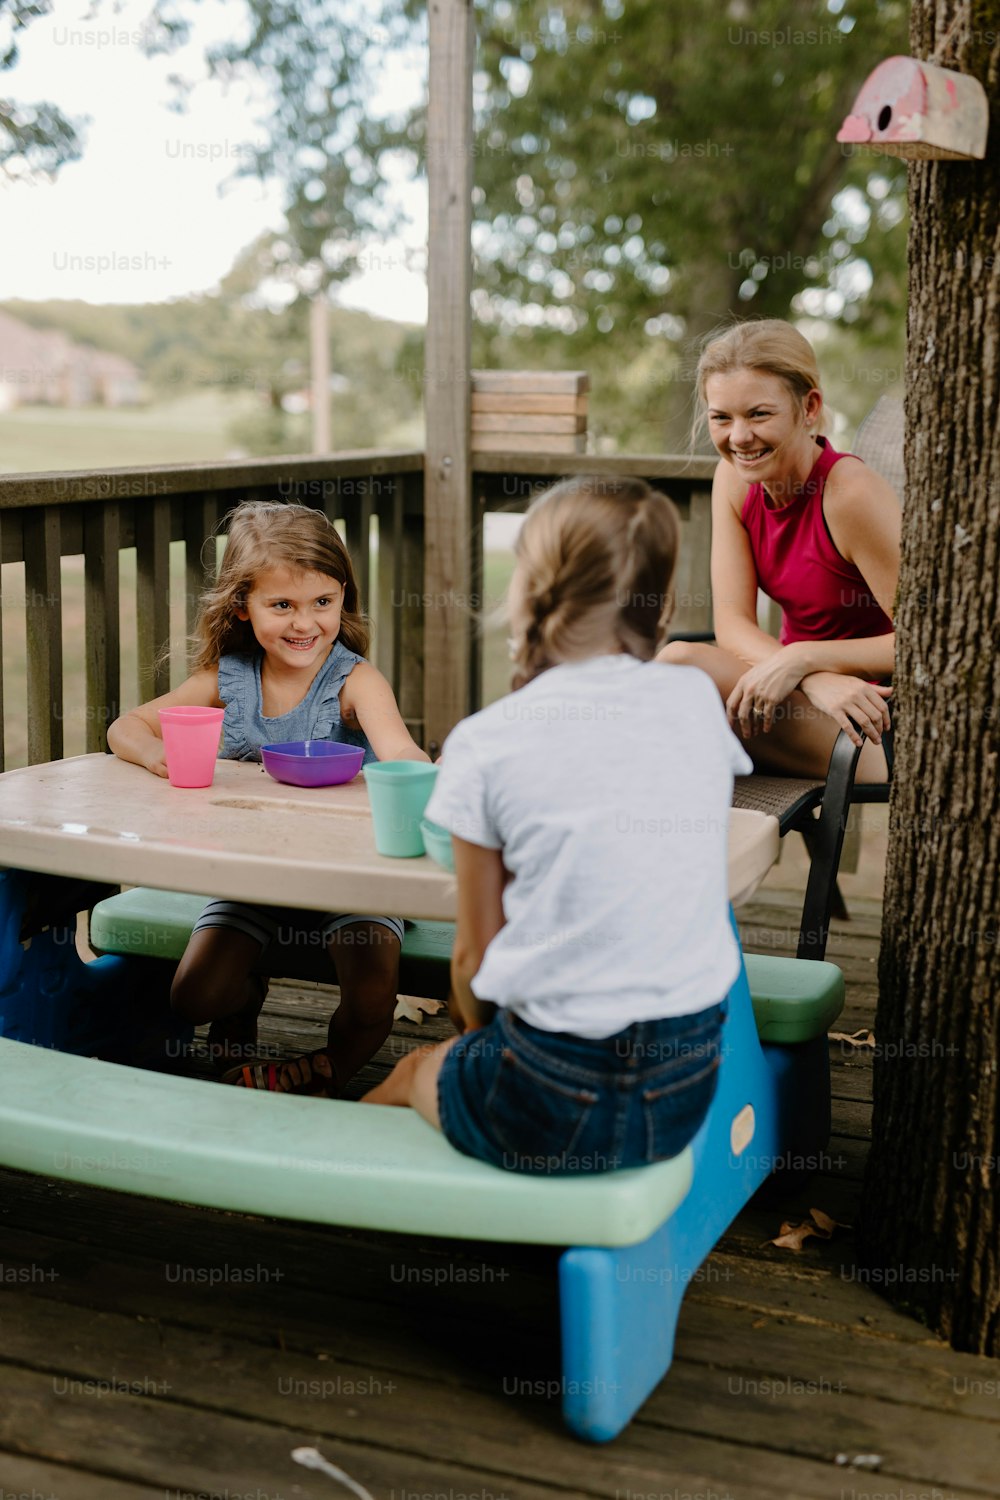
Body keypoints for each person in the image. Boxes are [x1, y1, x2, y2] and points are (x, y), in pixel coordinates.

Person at [362, 476, 753, 1176]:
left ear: (529, 590)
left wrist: (481, 1042)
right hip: (687, 1087)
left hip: (551, 1094)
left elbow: (473, 962)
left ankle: (328, 1198)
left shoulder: (487, 741)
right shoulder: (696, 699)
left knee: (415, 1069)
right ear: (660, 603)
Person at [107, 500, 428, 1095]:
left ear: (341, 599)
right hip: (253, 877)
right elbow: (126, 727)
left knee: (372, 995)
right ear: (242, 607)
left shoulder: (354, 682)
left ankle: (325, 1080)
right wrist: (161, 758)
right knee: (191, 998)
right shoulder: (226, 681)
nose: (305, 624)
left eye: (322, 603)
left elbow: (402, 753)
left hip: (351, 875)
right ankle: (243, 1003)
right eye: (281, 605)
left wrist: (424, 773)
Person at [659, 319, 900, 782]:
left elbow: (924, 642)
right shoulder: (733, 481)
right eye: (721, 417)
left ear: (809, 407)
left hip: (875, 722)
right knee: (659, 695)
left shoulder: (849, 495)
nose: (739, 438)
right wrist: (808, 675)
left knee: (678, 667)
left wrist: (804, 659)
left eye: (759, 414)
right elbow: (732, 625)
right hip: (794, 691)